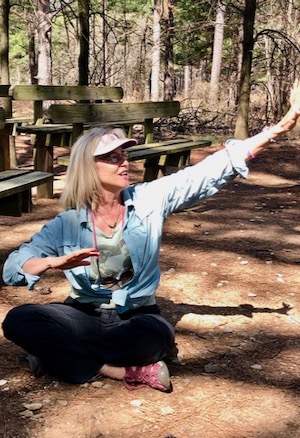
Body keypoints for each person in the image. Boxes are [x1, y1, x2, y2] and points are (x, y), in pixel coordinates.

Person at [2, 82, 300, 392]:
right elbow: (13, 268)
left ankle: (58, 357)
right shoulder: (65, 223)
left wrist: (280, 128)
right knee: (19, 320)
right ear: (88, 168)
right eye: (113, 157)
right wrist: (51, 262)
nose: (124, 162)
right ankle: (119, 371)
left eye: (124, 154)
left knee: (157, 337)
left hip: (136, 315)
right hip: (83, 314)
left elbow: (207, 171)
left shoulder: (149, 199)